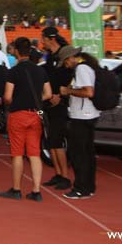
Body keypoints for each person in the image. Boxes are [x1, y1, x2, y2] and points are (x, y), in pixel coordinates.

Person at [0, 37, 51, 202]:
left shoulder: (13, 71)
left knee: (17, 154)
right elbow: (48, 94)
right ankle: (36, 190)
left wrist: (18, 100)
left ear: (16, 51)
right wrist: (34, 100)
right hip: (35, 114)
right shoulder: (40, 71)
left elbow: (8, 97)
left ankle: (16, 189)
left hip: (18, 115)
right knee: (34, 153)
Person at [59, 45, 101, 199]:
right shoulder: (88, 66)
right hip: (89, 115)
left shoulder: (81, 69)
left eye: (65, 62)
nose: (66, 65)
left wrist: (68, 91)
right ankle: (88, 187)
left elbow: (88, 92)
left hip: (82, 117)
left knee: (79, 155)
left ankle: (80, 188)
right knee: (88, 154)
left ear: (71, 58)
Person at [40, 26, 73, 190]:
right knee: (51, 140)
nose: (42, 42)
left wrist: (61, 96)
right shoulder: (50, 57)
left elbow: (71, 79)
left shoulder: (65, 55)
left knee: (58, 141)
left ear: (51, 39)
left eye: (44, 39)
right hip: (49, 102)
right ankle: (58, 173)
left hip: (60, 104)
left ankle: (65, 176)